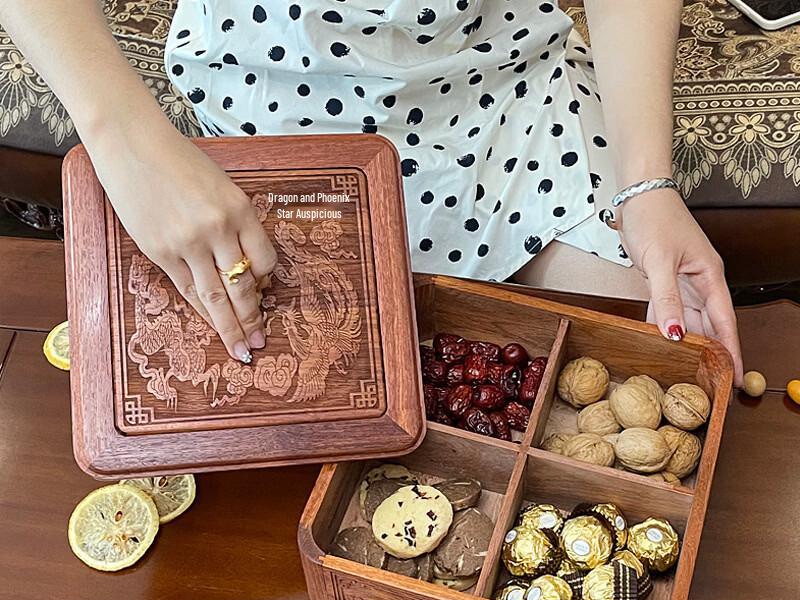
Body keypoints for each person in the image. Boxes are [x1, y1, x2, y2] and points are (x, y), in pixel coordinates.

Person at [0, 1, 743, 382]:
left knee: (673, 355)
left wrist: (646, 185)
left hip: (515, 103)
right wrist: (126, 139)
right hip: (273, 109)